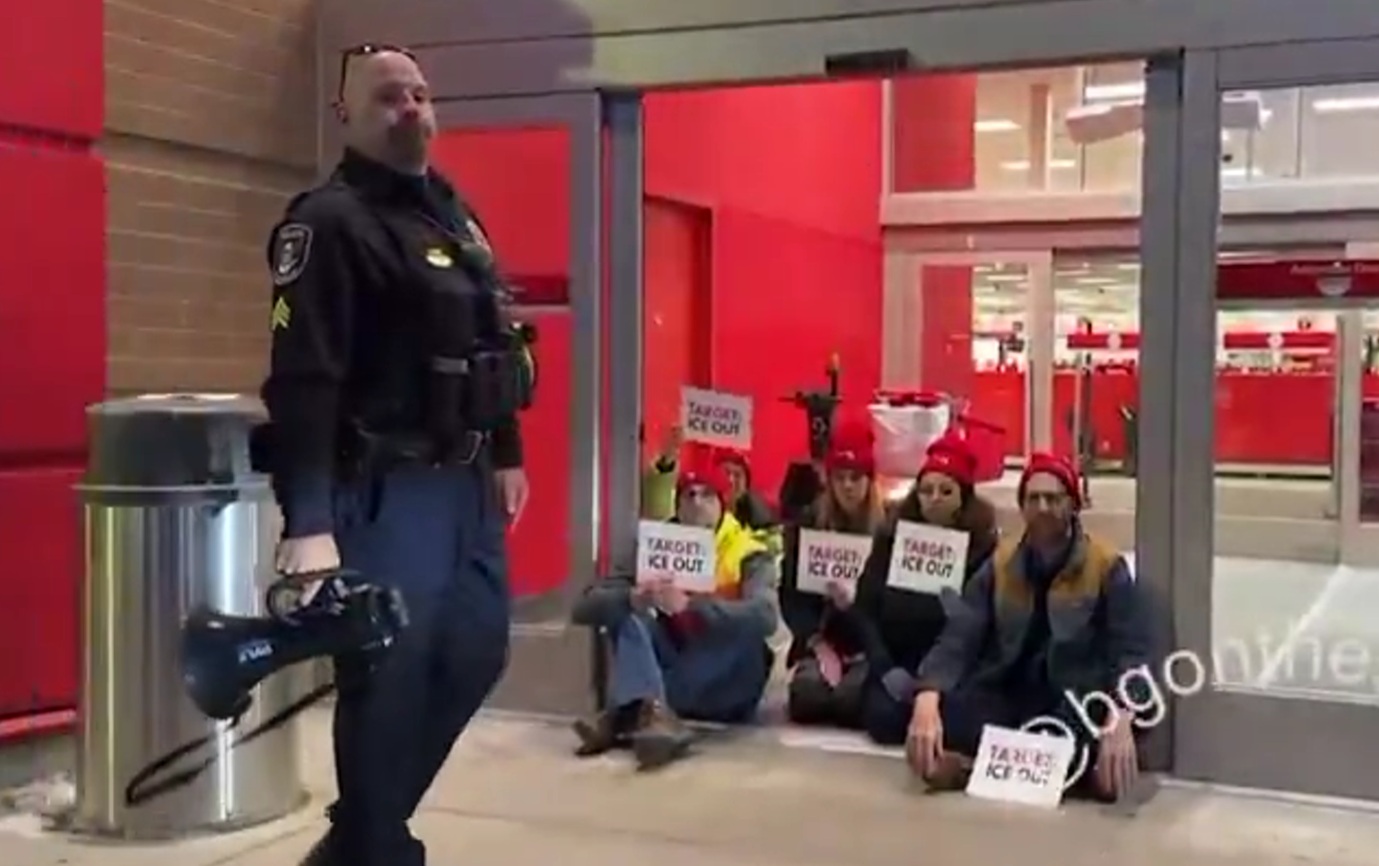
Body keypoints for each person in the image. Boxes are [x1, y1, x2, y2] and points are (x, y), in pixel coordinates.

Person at [258, 45, 532, 866]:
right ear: (345, 114)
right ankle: (376, 847)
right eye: (387, 97)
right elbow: (303, 379)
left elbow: (492, 338)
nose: (410, 107)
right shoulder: (327, 223)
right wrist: (309, 521)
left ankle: (357, 841)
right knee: (389, 677)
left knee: (477, 652)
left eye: (418, 93)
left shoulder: (453, 213)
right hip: (385, 490)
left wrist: (507, 450)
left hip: (467, 485)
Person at [906, 453, 1151, 802]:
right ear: (1022, 506)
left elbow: (1131, 650)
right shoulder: (1001, 563)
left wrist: (1121, 715)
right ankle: (1063, 771)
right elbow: (960, 635)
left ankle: (978, 766)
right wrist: (928, 696)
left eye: (1053, 498)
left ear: (1073, 505)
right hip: (1010, 693)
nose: (1043, 508)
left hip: (1076, 697)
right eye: (1033, 499)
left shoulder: (1106, 566)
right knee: (935, 716)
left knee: (1099, 738)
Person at [570, 450, 779, 770]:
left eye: (706, 494)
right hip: (673, 659)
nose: (696, 502)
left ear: (722, 503)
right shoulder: (654, 546)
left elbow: (766, 617)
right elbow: (583, 606)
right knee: (627, 615)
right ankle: (654, 715)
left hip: (725, 683)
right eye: (688, 495)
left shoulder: (749, 552)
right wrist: (633, 598)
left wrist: (694, 606)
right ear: (677, 504)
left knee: (744, 634)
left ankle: (630, 711)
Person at [847, 431, 1000, 746]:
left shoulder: (984, 547)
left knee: (961, 725)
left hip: (955, 668)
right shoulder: (891, 538)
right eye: (926, 490)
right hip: (897, 659)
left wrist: (961, 613)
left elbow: (989, 630)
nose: (934, 499)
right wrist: (885, 668)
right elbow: (865, 609)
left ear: (963, 496)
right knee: (885, 721)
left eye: (946, 491)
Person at [778, 421, 888, 728]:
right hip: (822, 638)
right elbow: (790, 593)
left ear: (869, 480)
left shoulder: (888, 530)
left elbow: (892, 605)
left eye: (856, 477)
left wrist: (856, 603)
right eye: (840, 478)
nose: (848, 486)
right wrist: (815, 642)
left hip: (869, 644)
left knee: (850, 703)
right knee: (807, 698)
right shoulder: (809, 524)